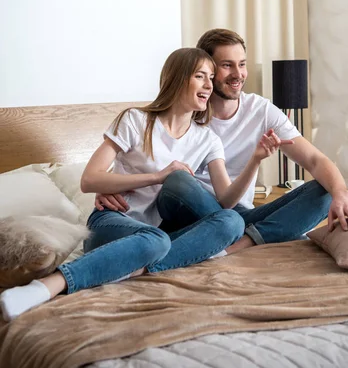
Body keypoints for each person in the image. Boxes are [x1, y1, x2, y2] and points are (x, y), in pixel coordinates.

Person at [1, 47, 277, 322]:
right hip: (113, 221)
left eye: (211, 77)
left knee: (231, 222)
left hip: (157, 234)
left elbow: (227, 201)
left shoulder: (207, 139)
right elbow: (89, 179)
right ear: (179, 78)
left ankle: (136, 268)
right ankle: (47, 287)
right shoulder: (136, 120)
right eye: (201, 76)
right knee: (155, 239)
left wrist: (255, 160)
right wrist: (158, 176)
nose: (209, 85)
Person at [96, 30, 348, 252]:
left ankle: (241, 244)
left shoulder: (261, 111)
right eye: (226, 66)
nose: (237, 74)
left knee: (324, 190)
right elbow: (150, 156)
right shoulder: (185, 112)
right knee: (181, 184)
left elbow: (314, 159)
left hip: (236, 215)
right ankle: (233, 237)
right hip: (183, 208)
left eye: (242, 64)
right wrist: (107, 183)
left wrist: (341, 193)